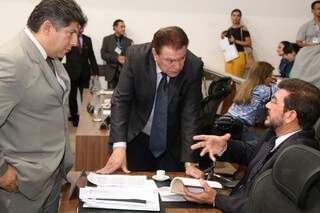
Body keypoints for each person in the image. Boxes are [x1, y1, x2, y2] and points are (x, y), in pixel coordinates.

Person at [184, 78, 320, 213]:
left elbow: (266, 208)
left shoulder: (299, 157)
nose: (267, 105)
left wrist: (216, 198)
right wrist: (224, 146)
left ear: (290, 116)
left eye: (274, 101)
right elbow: (253, 153)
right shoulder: (274, 133)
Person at [0, 0, 86, 212]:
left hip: (51, 179)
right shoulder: (12, 60)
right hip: (20, 186)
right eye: (71, 33)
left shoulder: (52, 58)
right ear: (48, 27)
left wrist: (65, 169)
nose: (75, 42)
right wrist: (2, 171)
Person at [97, 26, 204, 178]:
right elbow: (121, 101)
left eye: (182, 58)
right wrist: (119, 146)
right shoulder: (136, 56)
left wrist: (190, 162)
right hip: (137, 136)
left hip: (172, 141)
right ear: (155, 54)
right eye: (170, 60)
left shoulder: (193, 66)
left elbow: (191, 115)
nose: (178, 66)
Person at [225, 61, 277, 141]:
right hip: (239, 128)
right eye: (270, 76)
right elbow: (280, 89)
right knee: (262, 145)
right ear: (265, 77)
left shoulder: (245, 85)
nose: (271, 79)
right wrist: (275, 83)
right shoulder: (264, 90)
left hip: (226, 121)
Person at [65, 22, 99, 127]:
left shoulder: (87, 39)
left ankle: (85, 117)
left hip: (84, 74)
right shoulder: (69, 38)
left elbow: (91, 56)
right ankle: (74, 117)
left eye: (82, 27)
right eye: (79, 27)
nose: (81, 28)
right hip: (71, 73)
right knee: (72, 97)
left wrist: (96, 72)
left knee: (86, 97)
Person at [101, 19, 133, 89]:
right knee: (110, 97)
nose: (124, 29)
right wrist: (117, 58)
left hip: (124, 74)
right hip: (111, 75)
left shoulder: (129, 41)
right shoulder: (107, 39)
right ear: (115, 27)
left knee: (123, 97)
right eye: (121, 26)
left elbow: (131, 57)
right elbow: (103, 55)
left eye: (124, 27)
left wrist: (126, 59)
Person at [221, 9, 252, 78]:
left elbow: (249, 43)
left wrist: (235, 41)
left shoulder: (243, 29)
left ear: (240, 18)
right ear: (231, 17)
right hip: (229, 56)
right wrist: (223, 37)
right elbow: (228, 44)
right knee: (227, 79)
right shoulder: (229, 29)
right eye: (234, 15)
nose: (235, 17)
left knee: (236, 79)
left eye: (238, 16)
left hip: (239, 55)